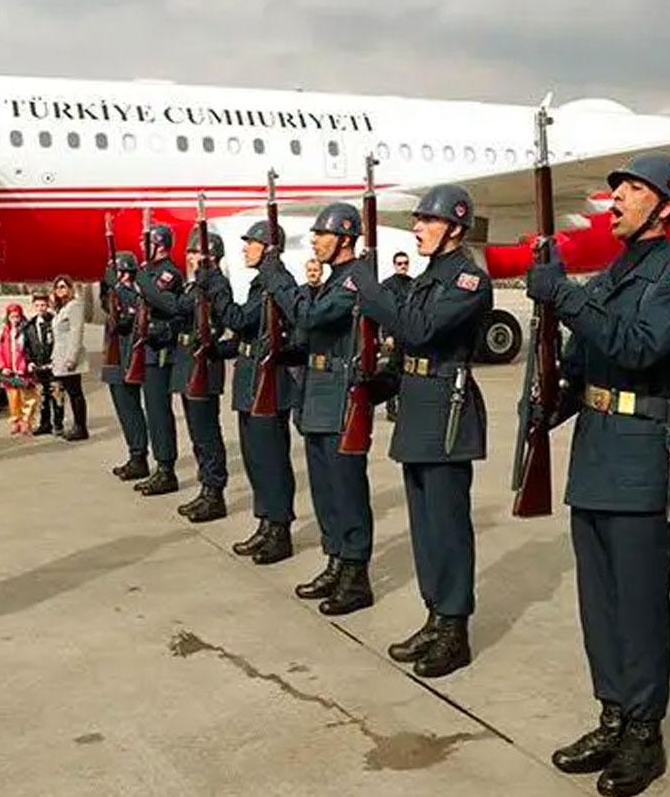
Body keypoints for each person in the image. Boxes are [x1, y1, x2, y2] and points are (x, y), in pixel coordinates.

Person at [527, 152, 670, 797]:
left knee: (638, 604)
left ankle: (643, 732)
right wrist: (548, 401)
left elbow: (636, 345)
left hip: (641, 452)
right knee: (599, 603)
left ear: (665, 206)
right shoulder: (609, 276)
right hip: (596, 449)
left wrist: (565, 296)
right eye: (618, 190)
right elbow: (584, 362)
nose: (618, 200)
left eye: (633, 190)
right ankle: (611, 715)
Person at [345, 185, 492, 678]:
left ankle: (454, 628)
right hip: (417, 408)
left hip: (446, 415)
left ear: (454, 227)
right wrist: (378, 383)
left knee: (447, 526)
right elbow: (407, 348)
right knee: (425, 526)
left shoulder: (469, 280)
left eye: (428, 221)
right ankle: (435, 615)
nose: (418, 228)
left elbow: (421, 329)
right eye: (418, 220)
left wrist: (368, 289)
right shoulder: (430, 277)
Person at [256, 203, 376, 616]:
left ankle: (356, 574)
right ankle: (335, 559)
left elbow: (309, 314)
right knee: (325, 490)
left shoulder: (352, 282)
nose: (315, 241)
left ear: (345, 238)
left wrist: (277, 278)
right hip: (316, 394)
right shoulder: (329, 282)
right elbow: (307, 331)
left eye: (322, 235)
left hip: (341, 396)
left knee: (347, 489)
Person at [202, 220, 297, 562]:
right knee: (256, 460)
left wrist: (218, 287)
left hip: (267, 385)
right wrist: (217, 349)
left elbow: (241, 321)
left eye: (251, 243)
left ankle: (279, 529)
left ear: (268, 248)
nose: (245, 248)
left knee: (271, 460)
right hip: (250, 381)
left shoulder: (277, 283)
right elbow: (249, 336)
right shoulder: (263, 284)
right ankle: (266, 523)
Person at [171, 229, 231, 522]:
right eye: (190, 253)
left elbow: (218, 322)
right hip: (189, 362)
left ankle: (215, 493)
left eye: (196, 253)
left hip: (204, 365)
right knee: (197, 433)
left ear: (212, 256)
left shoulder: (217, 285)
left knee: (207, 433)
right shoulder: (194, 285)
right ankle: (206, 487)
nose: (191, 258)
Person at [131, 224, 183, 496]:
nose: (142, 246)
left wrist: (140, 277)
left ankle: (166, 469)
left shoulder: (168, 273)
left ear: (160, 244)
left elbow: (163, 302)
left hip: (162, 352)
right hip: (147, 350)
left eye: (147, 242)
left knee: (160, 412)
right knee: (151, 410)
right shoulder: (148, 273)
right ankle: (158, 465)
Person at [100, 252, 149, 480]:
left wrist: (118, 290)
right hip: (114, 358)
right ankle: (134, 453)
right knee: (123, 410)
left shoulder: (135, 294)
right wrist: (108, 288)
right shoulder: (115, 293)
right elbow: (107, 309)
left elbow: (124, 320)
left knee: (131, 409)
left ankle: (139, 455)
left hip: (128, 357)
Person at [49, 276, 88, 440]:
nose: (60, 290)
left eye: (64, 286)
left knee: (75, 393)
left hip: (69, 358)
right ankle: (76, 426)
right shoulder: (61, 309)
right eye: (57, 287)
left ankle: (81, 427)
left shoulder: (74, 306)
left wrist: (72, 358)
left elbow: (76, 333)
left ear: (70, 289)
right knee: (70, 393)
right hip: (60, 357)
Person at [381, 250, 417, 422]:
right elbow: (385, 311)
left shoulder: (413, 283)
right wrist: (387, 335)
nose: (403, 266)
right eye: (399, 263)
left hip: (409, 332)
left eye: (405, 263)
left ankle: (405, 406)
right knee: (394, 369)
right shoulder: (387, 284)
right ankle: (391, 407)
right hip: (395, 332)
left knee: (408, 370)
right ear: (395, 265)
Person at [0, 303, 39, 435]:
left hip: (23, 371)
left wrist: (24, 366)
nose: (15, 319)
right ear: (7, 317)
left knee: (28, 397)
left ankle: (26, 421)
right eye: (12, 317)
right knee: (13, 398)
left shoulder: (27, 330)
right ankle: (15, 421)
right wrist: (2, 367)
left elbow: (29, 350)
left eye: (17, 316)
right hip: (9, 370)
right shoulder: (3, 332)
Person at [24, 293, 63, 435]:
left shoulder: (55, 322)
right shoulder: (29, 326)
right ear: (34, 306)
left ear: (48, 306)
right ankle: (44, 424)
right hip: (38, 368)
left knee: (57, 396)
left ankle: (58, 424)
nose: (41, 308)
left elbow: (61, 343)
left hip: (54, 367)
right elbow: (26, 347)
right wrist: (30, 362)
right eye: (38, 305)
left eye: (43, 305)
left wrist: (57, 360)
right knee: (42, 398)